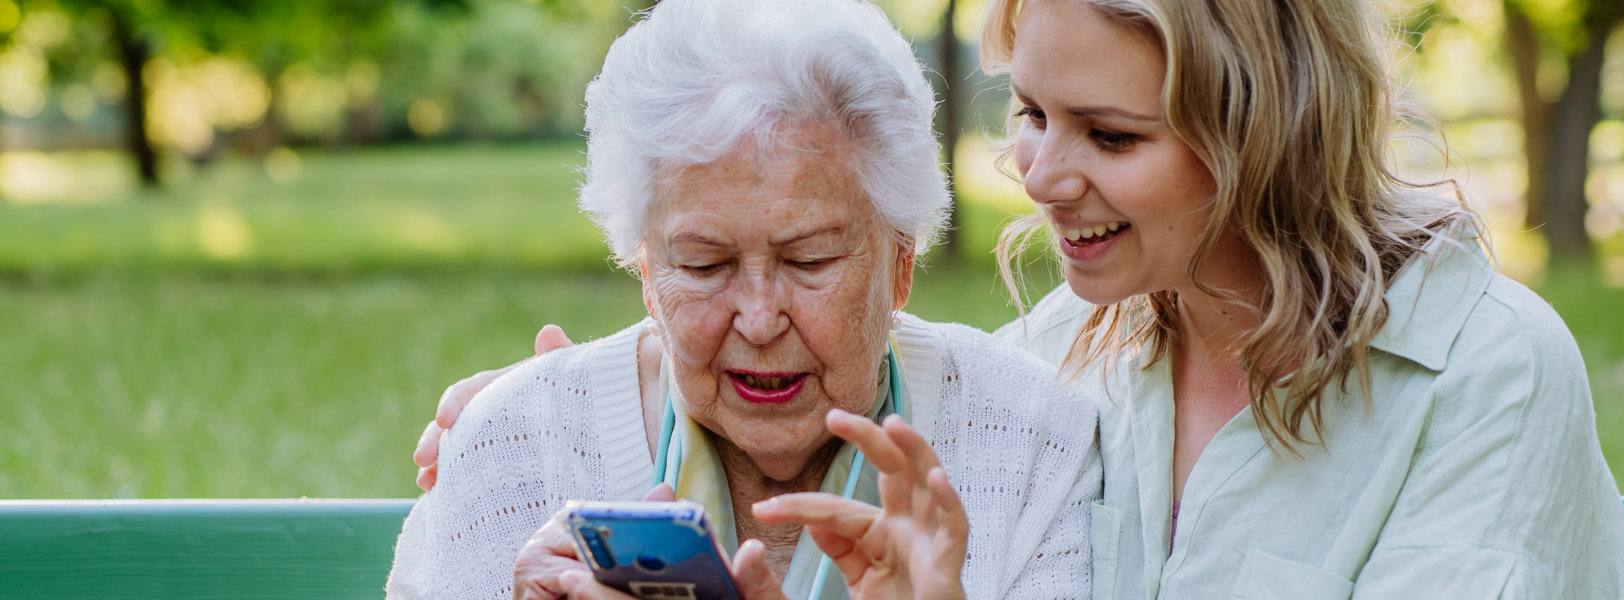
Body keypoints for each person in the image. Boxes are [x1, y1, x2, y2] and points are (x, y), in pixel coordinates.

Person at [421, 0, 1624, 597]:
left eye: (1108, 133)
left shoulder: (1479, 374)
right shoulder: (1066, 355)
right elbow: (835, 356)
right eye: (1033, 116)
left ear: (1269, 129)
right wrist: (553, 405)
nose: (1041, 179)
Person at [386, 1, 1100, 598]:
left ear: (901, 262)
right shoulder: (513, 445)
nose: (758, 319)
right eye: (703, 265)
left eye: (809, 259)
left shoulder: (1032, 438)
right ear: (644, 270)